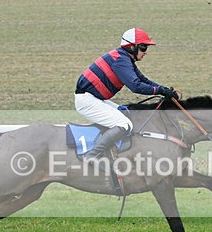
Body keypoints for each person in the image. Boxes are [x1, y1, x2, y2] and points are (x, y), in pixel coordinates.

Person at [74, 28, 179, 163]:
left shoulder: (124, 58)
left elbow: (143, 80)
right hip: (87, 101)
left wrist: (164, 89)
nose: (145, 52)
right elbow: (135, 86)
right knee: (124, 124)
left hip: (94, 98)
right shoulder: (120, 60)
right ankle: (91, 155)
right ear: (131, 47)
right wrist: (159, 90)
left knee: (126, 114)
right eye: (143, 47)